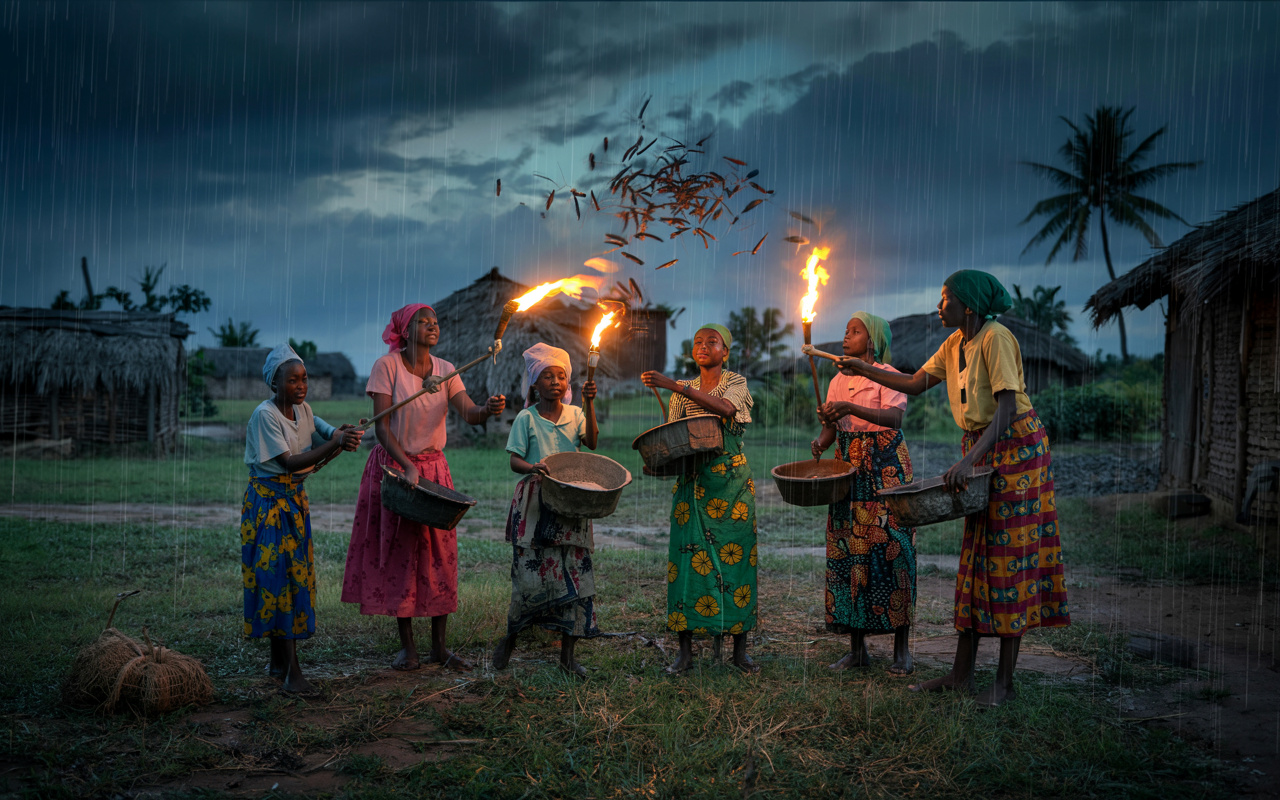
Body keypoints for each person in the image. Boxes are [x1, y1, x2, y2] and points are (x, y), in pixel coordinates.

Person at [807, 271, 1069, 707]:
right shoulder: (955, 344)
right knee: (977, 554)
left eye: (946, 298)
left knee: (1008, 557)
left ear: (968, 305)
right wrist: (859, 367)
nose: (939, 305)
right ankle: (961, 674)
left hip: (1016, 447)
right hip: (982, 446)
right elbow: (913, 383)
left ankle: (1003, 683)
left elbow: (1006, 406)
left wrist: (968, 460)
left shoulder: (995, 338)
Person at [341, 304, 506, 672]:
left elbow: (470, 413)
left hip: (433, 469)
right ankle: (408, 649)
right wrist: (407, 466)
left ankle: (439, 648)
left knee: (438, 559)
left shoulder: (447, 370)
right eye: (423, 321)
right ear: (404, 329)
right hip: (395, 466)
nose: (432, 326)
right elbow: (382, 428)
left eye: (435, 322)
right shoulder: (387, 367)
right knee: (402, 555)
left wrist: (489, 410)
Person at [242, 343, 364, 694]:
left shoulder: (304, 410)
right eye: (292, 380)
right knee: (279, 582)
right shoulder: (265, 415)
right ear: (274, 383)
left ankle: (279, 663)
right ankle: (292, 675)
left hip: (292, 503)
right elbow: (290, 463)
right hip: (268, 507)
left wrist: (345, 436)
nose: (301, 385)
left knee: (290, 578)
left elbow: (327, 434)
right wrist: (337, 441)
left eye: (304, 378)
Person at [642, 324, 759, 675]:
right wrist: (659, 463)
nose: (703, 346)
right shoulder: (682, 392)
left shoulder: (735, 383)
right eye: (697, 341)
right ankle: (685, 652)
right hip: (692, 485)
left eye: (712, 341)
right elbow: (673, 440)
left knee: (737, 562)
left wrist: (673, 385)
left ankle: (739, 650)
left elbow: (726, 411)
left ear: (726, 352)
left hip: (731, 483)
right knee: (686, 564)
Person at [812, 312, 917, 675]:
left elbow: (894, 420)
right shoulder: (837, 380)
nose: (846, 336)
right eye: (845, 329)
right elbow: (833, 426)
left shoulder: (892, 377)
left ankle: (902, 650)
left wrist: (852, 408)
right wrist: (821, 441)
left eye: (854, 331)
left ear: (872, 341)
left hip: (885, 468)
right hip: (847, 470)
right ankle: (857, 650)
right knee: (849, 551)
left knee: (893, 551)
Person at [491, 344, 600, 678]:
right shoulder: (526, 418)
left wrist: (590, 402)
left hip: (572, 500)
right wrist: (533, 468)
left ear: (568, 384)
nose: (555, 381)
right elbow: (514, 460)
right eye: (547, 376)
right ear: (534, 385)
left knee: (575, 573)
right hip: (536, 501)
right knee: (530, 575)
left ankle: (568, 656)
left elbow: (592, 443)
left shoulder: (577, 414)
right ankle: (511, 638)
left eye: (561, 376)